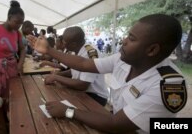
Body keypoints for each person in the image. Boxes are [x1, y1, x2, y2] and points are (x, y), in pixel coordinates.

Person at [27, 14, 187, 133]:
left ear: (152, 50)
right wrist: (50, 50)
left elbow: (116, 124)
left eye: (131, 39)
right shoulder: (123, 58)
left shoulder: (167, 86)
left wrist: (68, 111)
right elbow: (84, 64)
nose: (124, 41)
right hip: (117, 119)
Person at [43, 27, 109, 106]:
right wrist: (57, 75)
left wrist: (56, 78)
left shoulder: (90, 53)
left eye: (64, 41)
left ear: (73, 44)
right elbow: (74, 70)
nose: (62, 43)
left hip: (95, 97)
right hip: (82, 92)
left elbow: (82, 85)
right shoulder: (75, 50)